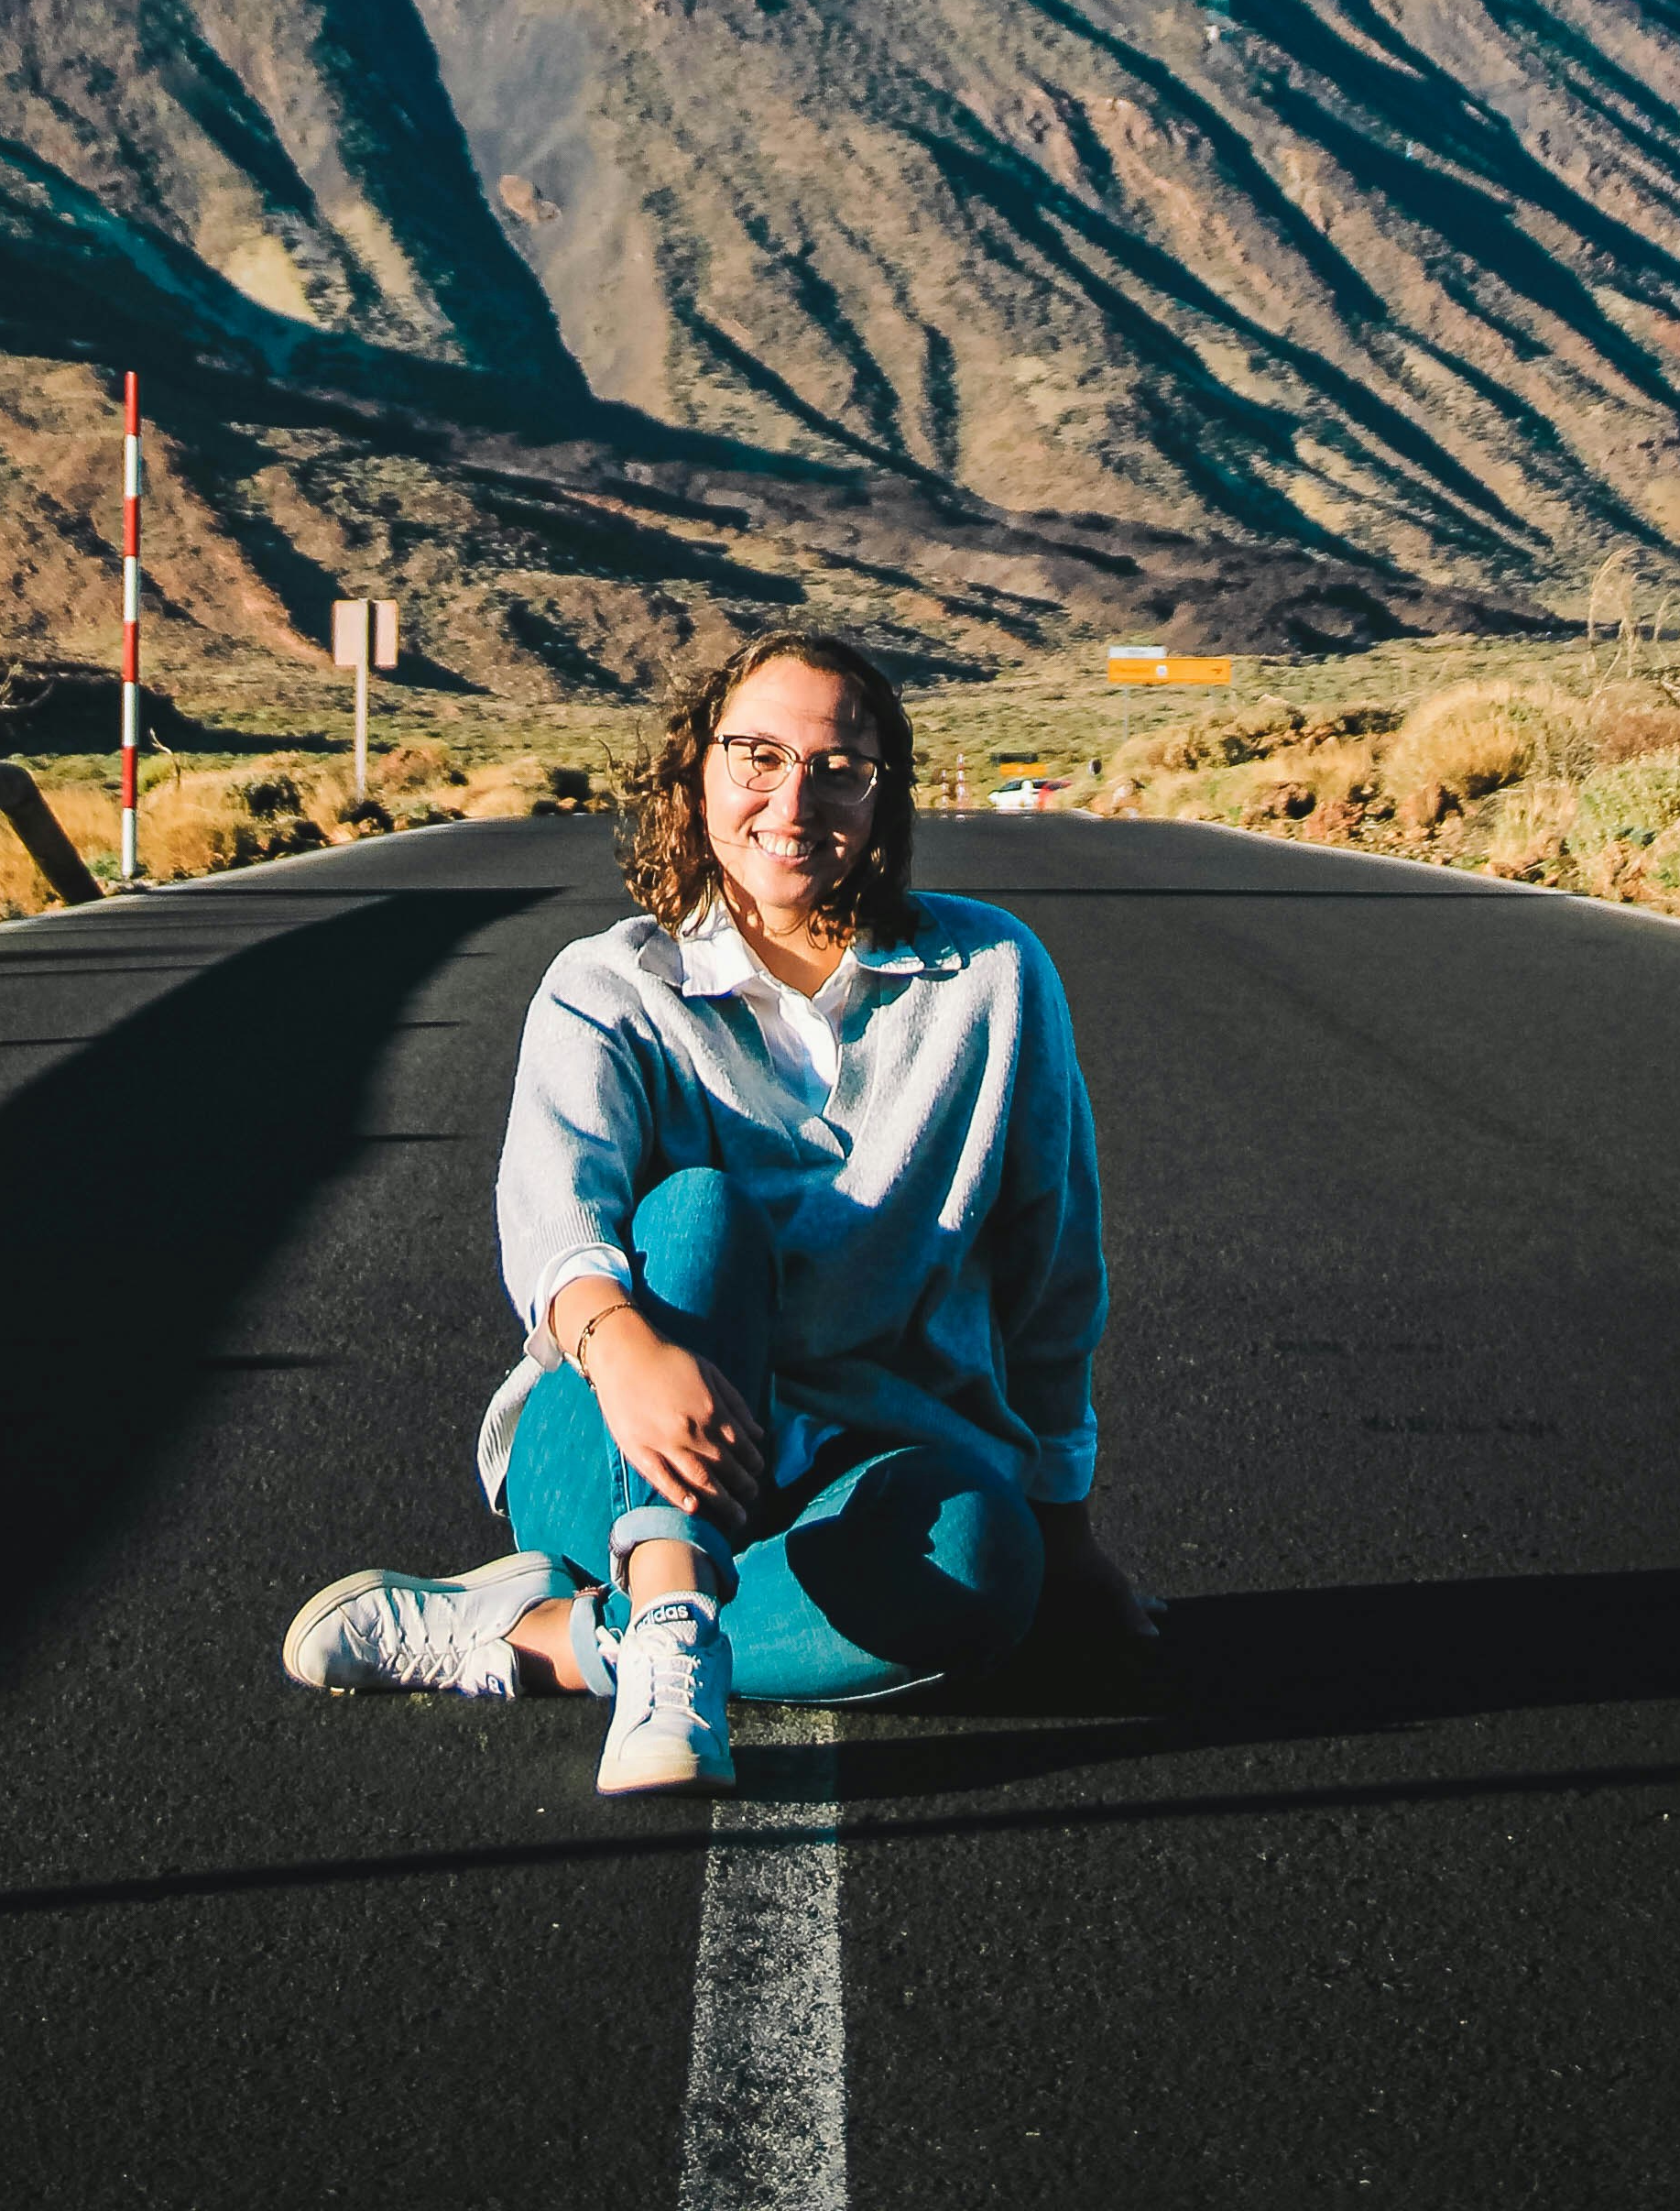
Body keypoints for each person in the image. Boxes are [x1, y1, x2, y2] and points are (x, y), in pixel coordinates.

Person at [281, 629, 1151, 1794]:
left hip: (871, 1457)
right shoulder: (610, 989)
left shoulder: (990, 979)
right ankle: (674, 1618)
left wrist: (1067, 1529)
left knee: (988, 1565)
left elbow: (1052, 1270)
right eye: (758, 756)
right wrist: (624, 1346)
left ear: (884, 797)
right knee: (697, 1216)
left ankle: (552, 1639)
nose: (796, 799)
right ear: (697, 773)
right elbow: (556, 1216)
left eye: (841, 768)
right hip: (612, 1435)